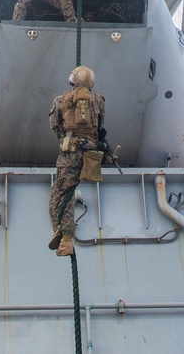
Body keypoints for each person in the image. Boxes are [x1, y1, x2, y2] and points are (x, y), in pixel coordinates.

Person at [47, 65, 106, 257]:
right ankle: (61, 232)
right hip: (91, 155)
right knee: (66, 193)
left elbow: (55, 127)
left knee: (60, 195)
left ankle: (65, 239)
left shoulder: (61, 100)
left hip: (70, 154)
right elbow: (100, 127)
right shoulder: (98, 101)